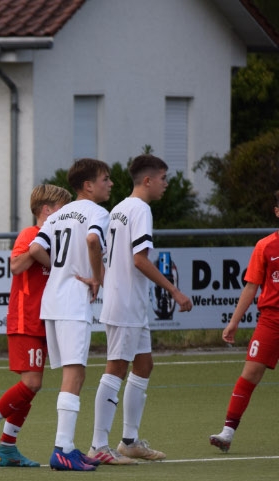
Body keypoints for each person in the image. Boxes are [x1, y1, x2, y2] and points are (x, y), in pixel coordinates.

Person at [89, 154, 193, 463]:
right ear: (147, 180)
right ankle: (98, 446)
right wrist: (174, 290)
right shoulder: (141, 210)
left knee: (144, 364)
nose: (166, 184)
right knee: (116, 368)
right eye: (163, 178)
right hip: (125, 303)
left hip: (130, 302)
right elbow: (139, 259)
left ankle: (129, 441)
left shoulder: (120, 208)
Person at [0, 184, 72, 468]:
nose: (67, 214)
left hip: (43, 320)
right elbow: (15, 266)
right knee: (31, 383)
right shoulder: (30, 234)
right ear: (47, 210)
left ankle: (8, 446)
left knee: (32, 386)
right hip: (26, 319)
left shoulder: (57, 239)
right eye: (63, 209)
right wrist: (38, 251)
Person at [28, 158, 112, 472]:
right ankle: (62, 449)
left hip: (52, 299)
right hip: (73, 301)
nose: (110, 184)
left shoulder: (58, 214)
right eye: (105, 179)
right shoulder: (97, 212)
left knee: (74, 372)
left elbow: (35, 249)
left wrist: (59, 269)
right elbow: (92, 240)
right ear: (88, 185)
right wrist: (96, 277)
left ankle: (67, 447)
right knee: (74, 374)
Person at [209, 189, 279, 452]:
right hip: (271, 320)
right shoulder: (265, 246)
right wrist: (234, 322)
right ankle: (227, 433)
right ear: (277, 212)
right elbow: (251, 287)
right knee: (250, 373)